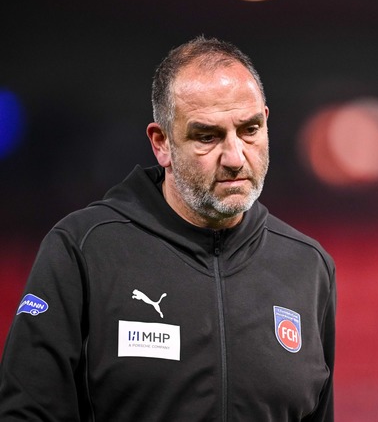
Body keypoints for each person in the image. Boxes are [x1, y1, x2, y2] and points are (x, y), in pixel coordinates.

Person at [0, 36, 336, 421]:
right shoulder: (84, 248)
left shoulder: (309, 266)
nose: (234, 157)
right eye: (207, 136)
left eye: (249, 129)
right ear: (161, 144)